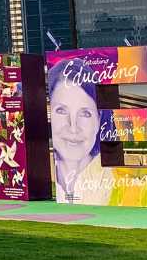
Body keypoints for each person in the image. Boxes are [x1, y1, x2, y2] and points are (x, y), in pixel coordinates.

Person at [46, 57, 107, 204]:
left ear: (98, 120)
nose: (73, 127)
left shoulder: (125, 187)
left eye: (85, 113)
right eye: (61, 110)